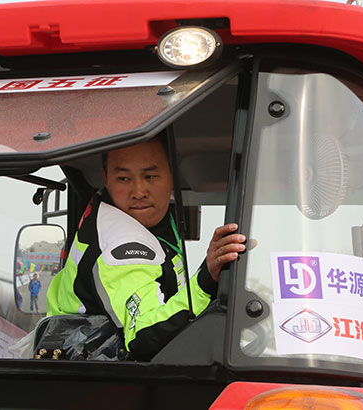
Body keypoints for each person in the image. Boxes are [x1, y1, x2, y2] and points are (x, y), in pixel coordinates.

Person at [46, 136, 246, 360]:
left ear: (172, 174)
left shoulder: (143, 218)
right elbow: (143, 335)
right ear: (106, 178)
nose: (139, 191)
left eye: (150, 176)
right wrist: (205, 280)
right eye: (124, 178)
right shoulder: (121, 243)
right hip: (92, 372)